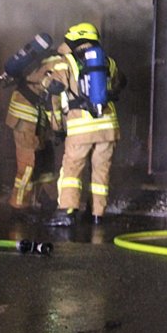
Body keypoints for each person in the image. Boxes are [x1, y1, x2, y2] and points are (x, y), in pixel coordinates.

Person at [43, 22, 126, 226]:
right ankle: (98, 213)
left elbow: (51, 86)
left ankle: (67, 212)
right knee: (101, 172)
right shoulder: (108, 62)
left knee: (72, 170)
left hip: (81, 128)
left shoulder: (66, 62)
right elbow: (121, 82)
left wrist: (57, 125)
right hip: (108, 128)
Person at [1, 42, 65, 217]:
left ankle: (46, 198)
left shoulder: (50, 59)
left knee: (45, 159)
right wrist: (58, 128)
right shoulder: (60, 65)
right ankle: (18, 206)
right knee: (27, 165)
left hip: (35, 118)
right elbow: (54, 100)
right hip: (25, 119)